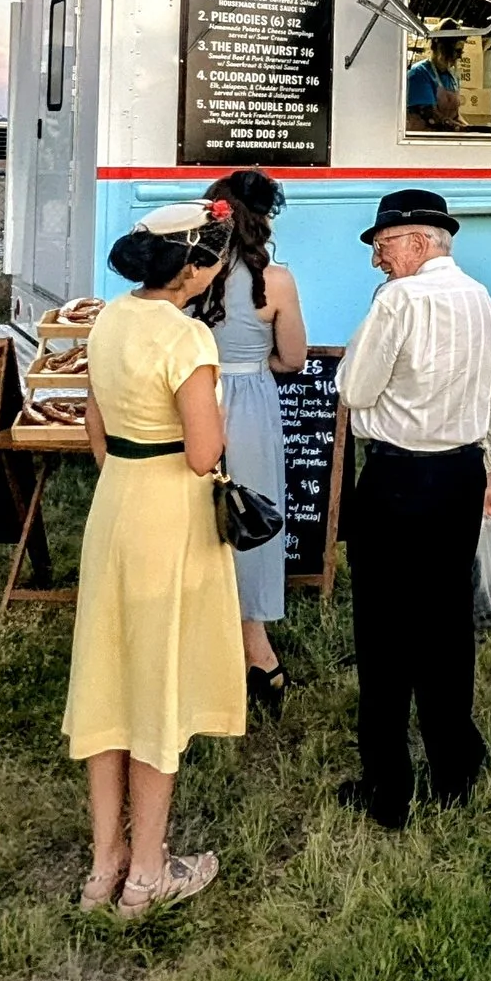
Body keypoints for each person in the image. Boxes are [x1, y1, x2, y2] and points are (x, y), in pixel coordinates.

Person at [67, 201, 246, 917]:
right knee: (157, 686)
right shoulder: (188, 339)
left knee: (108, 681)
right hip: (169, 516)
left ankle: (103, 862)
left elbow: (95, 427)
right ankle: (147, 874)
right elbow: (205, 453)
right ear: (195, 266)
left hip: (115, 505)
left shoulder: (108, 319)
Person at [337, 187, 491, 828]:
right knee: (446, 626)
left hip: (395, 479)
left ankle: (388, 787)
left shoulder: (398, 300)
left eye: (383, 245)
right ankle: (454, 770)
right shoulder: (484, 301)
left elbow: (353, 387)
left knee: (384, 632)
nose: (378, 260)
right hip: (460, 478)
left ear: (419, 241)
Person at [198, 168, 308, 719]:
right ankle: (256, 650)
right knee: (250, 516)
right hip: (250, 401)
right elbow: (294, 359)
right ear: (263, 218)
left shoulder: (190, 274)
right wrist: (249, 366)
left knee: (196, 519)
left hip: (194, 398)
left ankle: (201, 640)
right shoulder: (278, 280)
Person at [405, 35, 466, 131]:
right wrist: (459, 128)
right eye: (457, 51)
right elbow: (430, 116)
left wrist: (471, 129)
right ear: (441, 48)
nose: (460, 56)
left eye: (461, 51)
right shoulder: (419, 73)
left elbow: (455, 116)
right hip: (422, 138)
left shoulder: (452, 77)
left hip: (443, 137)